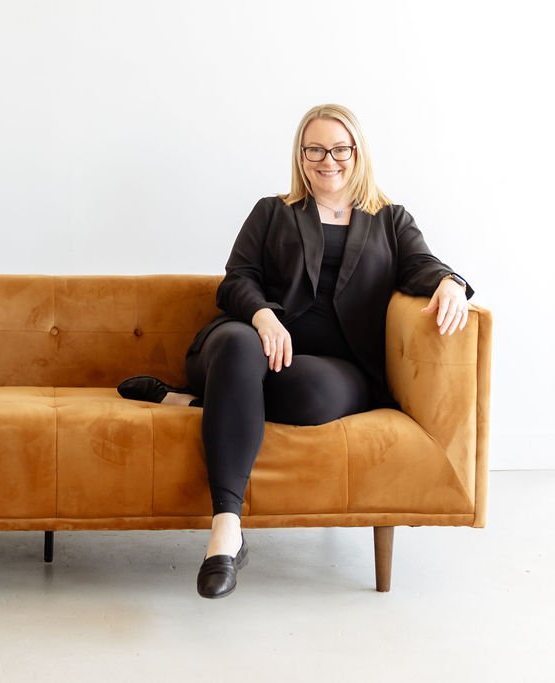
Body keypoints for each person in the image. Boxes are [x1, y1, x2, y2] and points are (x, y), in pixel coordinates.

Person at [117, 103, 474, 599]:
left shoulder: (390, 219)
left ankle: (191, 402)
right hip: (245, 346)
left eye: (339, 148)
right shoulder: (273, 211)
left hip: (329, 367)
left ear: (357, 152)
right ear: (300, 155)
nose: (328, 160)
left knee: (316, 396)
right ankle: (225, 529)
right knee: (240, 344)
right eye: (314, 149)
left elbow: (424, 266)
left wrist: (452, 283)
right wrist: (264, 315)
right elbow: (236, 281)